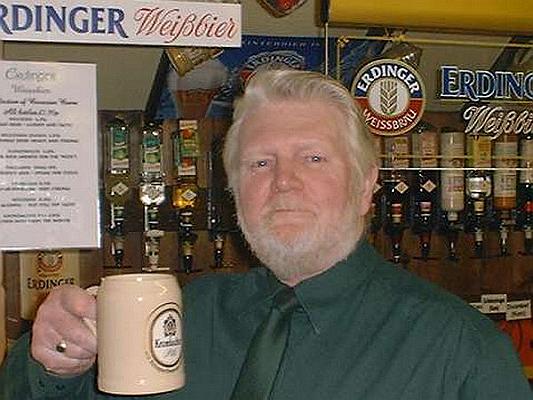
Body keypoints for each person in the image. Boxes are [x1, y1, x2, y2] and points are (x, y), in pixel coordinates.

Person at [1, 69, 531, 399]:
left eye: (314, 158)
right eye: (259, 163)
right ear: (233, 192)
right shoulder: (187, 313)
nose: (284, 183)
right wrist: (54, 360)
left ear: (367, 185)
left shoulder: (463, 353)